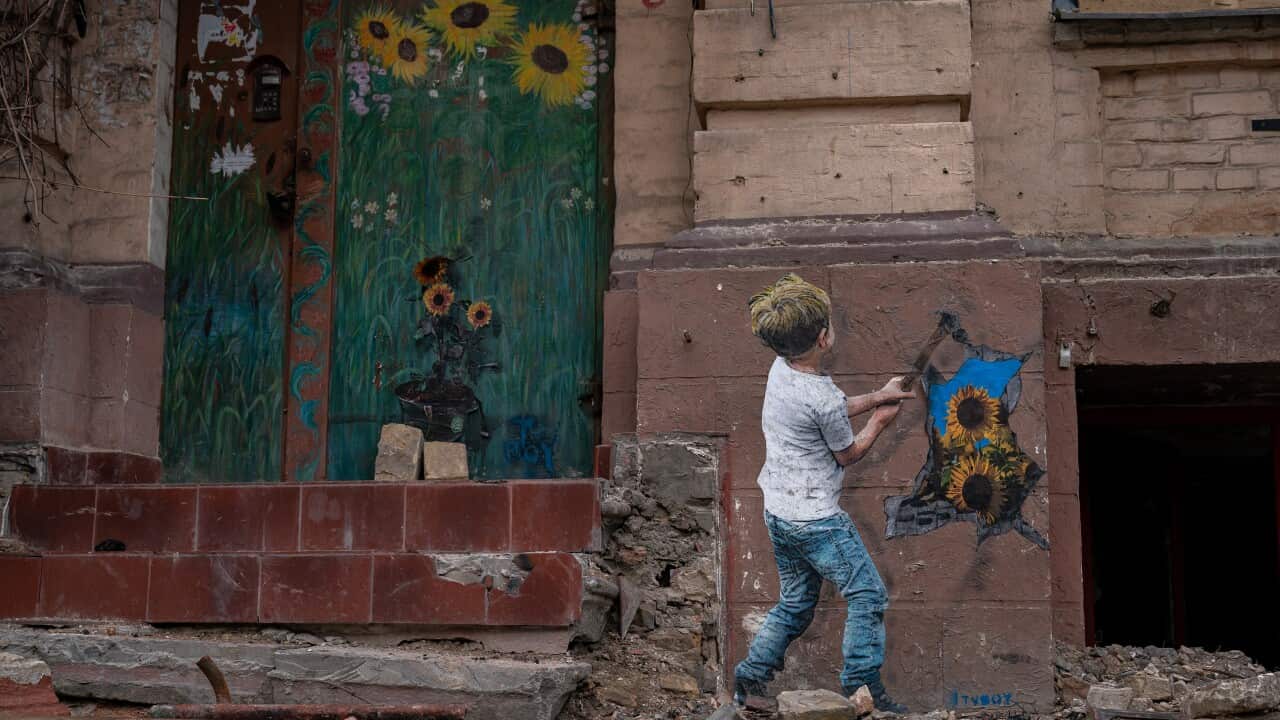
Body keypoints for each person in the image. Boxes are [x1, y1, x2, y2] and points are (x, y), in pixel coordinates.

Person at [734, 273, 914, 712]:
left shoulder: (781, 370)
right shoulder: (821, 396)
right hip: (816, 520)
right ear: (823, 337)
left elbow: (829, 410)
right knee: (868, 594)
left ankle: (749, 680)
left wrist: (876, 397)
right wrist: (879, 422)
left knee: (795, 603)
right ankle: (862, 681)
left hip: (779, 511)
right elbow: (847, 453)